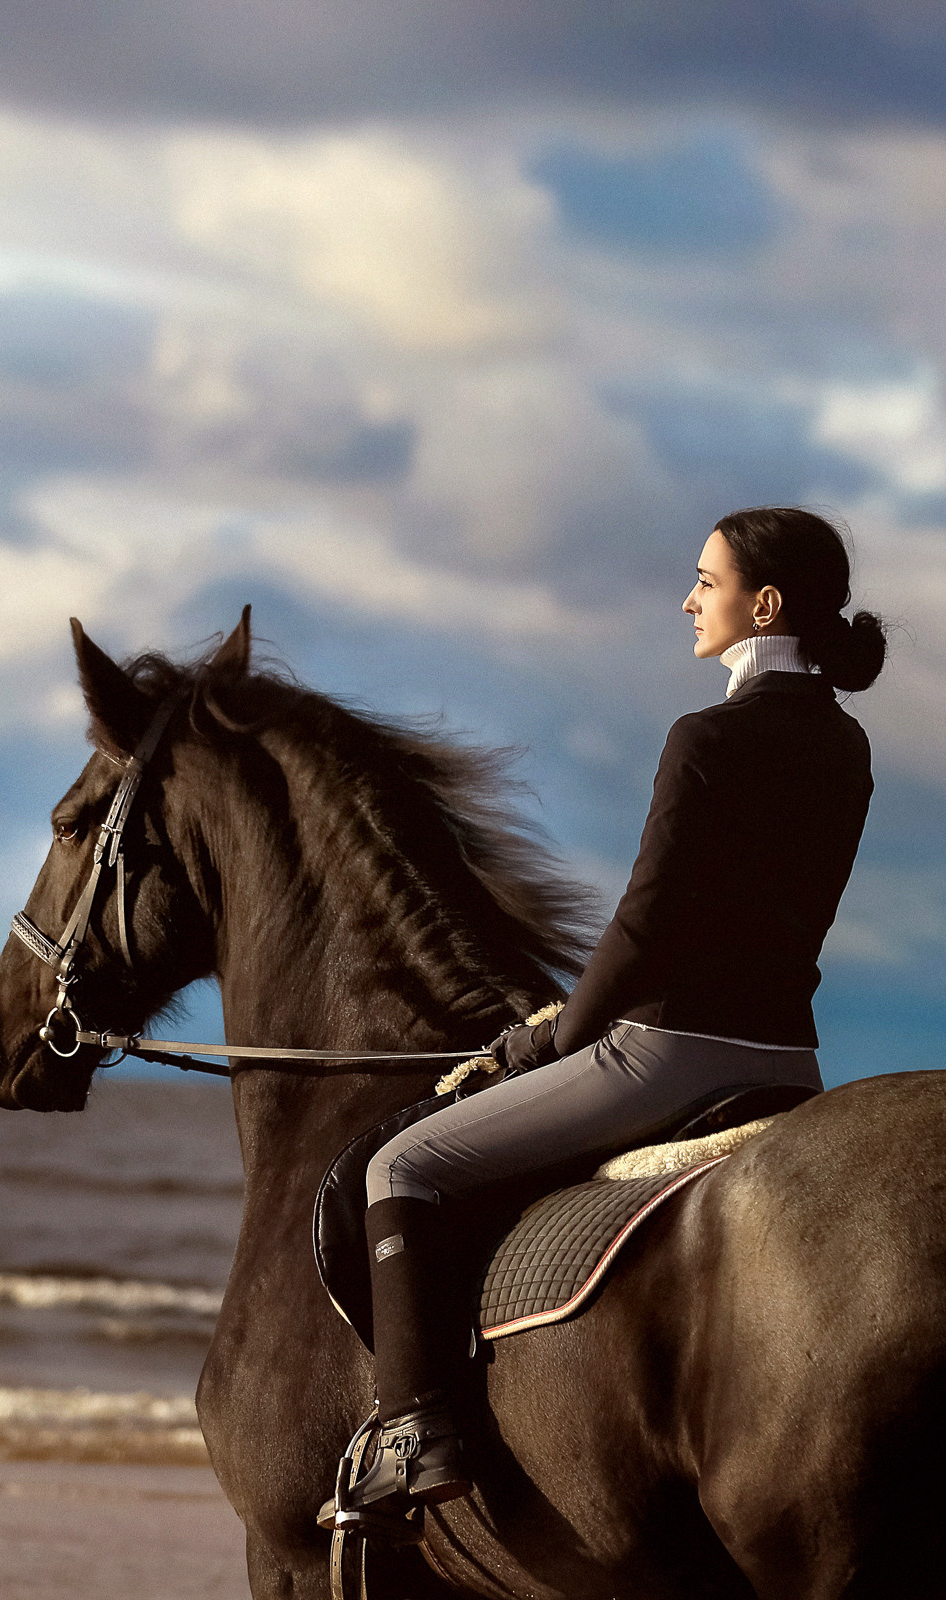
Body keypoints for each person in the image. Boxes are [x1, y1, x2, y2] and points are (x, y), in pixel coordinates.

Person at [323, 506, 888, 1534]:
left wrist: (556, 1035)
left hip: (667, 1056)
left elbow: (647, 921)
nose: (688, 600)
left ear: (764, 604)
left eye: (706, 582)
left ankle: (414, 1430)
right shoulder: (847, 746)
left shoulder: (705, 736)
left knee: (399, 1170)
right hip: (790, 1063)